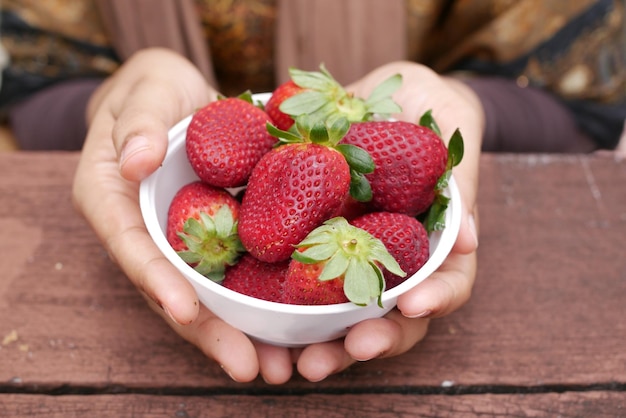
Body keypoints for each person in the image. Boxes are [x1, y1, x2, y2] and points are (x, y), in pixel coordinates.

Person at [1, 0, 624, 383]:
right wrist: (113, 97)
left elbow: (583, 92)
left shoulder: (325, 171)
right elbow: (25, 76)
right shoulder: (302, 172)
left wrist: (464, 105)